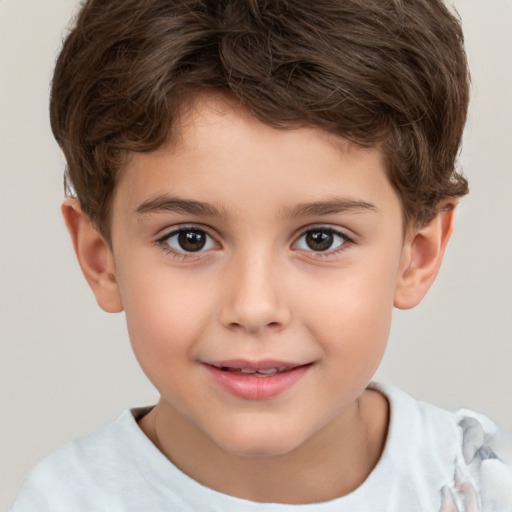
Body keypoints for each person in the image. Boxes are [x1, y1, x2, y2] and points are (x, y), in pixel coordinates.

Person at [9, 0, 511, 510]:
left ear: (417, 255)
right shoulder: (63, 501)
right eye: (190, 239)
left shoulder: (478, 486)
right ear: (102, 259)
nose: (254, 308)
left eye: (321, 239)